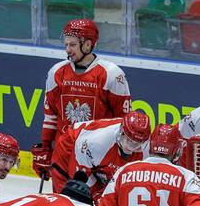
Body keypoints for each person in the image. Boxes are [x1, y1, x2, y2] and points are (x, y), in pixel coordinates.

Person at [32, 20, 132, 183]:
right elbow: (50, 117)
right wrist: (45, 148)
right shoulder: (57, 72)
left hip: (96, 157)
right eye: (66, 44)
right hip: (63, 152)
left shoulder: (111, 74)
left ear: (87, 44)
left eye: (72, 45)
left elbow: (123, 121)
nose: (67, 50)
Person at [49, 110, 152, 197]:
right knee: (73, 195)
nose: (132, 147)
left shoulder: (148, 147)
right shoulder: (97, 142)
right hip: (72, 146)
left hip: (97, 155)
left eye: (138, 144)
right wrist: (96, 195)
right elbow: (79, 173)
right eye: (129, 141)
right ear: (122, 132)